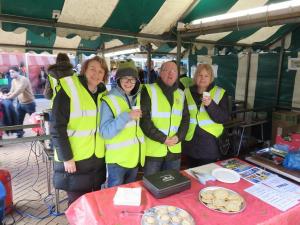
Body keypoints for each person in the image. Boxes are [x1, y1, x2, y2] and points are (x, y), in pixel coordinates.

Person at [51, 56, 108, 205]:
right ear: (84, 70)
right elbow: (57, 128)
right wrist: (67, 157)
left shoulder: (102, 94)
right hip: (75, 160)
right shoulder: (68, 91)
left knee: (92, 203)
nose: (96, 74)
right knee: (77, 204)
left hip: (96, 160)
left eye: (101, 71)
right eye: (92, 69)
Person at [100, 60, 145, 187]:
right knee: (114, 198)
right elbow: (105, 132)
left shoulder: (138, 97)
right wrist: (127, 116)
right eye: (125, 78)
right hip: (117, 162)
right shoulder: (108, 100)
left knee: (128, 196)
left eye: (132, 79)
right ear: (118, 79)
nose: (129, 82)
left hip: (134, 159)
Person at [140, 61, 189, 176]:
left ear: (177, 75)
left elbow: (186, 119)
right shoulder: (148, 90)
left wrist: (178, 137)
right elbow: (144, 120)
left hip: (174, 149)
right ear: (160, 72)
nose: (170, 73)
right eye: (167, 70)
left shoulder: (181, 94)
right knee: (151, 185)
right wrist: (163, 139)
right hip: (153, 151)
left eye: (174, 71)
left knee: (172, 185)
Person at [182, 64, 229, 168]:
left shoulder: (220, 92)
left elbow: (224, 118)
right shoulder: (186, 92)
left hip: (210, 144)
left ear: (211, 77)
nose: (202, 78)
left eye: (206, 76)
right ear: (195, 76)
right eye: (200, 75)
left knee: (207, 175)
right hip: (191, 142)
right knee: (191, 172)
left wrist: (210, 105)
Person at [3, 66, 36, 138]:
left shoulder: (23, 79)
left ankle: (40, 133)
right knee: (18, 120)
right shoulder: (13, 81)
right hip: (20, 103)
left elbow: (18, 91)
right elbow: (12, 91)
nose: (11, 74)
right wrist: (4, 95)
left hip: (29, 103)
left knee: (35, 120)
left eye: (13, 72)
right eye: (10, 72)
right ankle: (20, 133)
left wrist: (8, 97)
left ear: (18, 72)